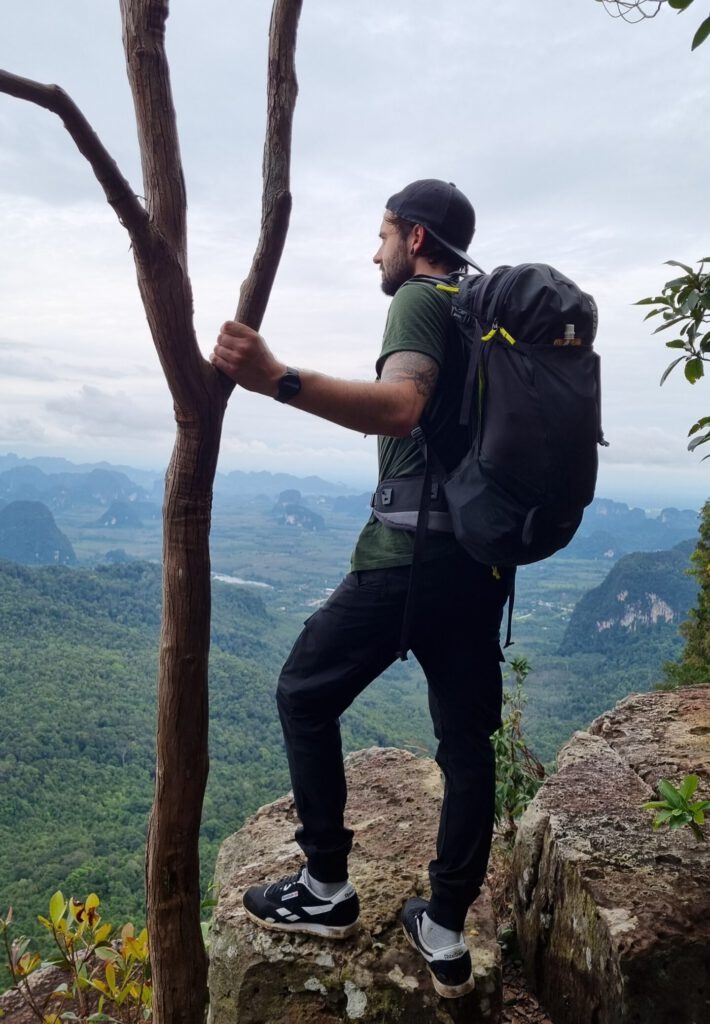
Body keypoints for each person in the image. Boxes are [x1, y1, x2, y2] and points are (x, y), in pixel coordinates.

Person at [210, 179, 514, 1000]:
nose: (374, 252)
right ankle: (446, 928)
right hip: (481, 566)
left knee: (304, 691)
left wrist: (280, 378)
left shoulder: (421, 299)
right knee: (465, 744)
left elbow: (402, 406)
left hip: (405, 561)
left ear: (416, 238)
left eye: (382, 235)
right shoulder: (487, 311)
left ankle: (325, 888)